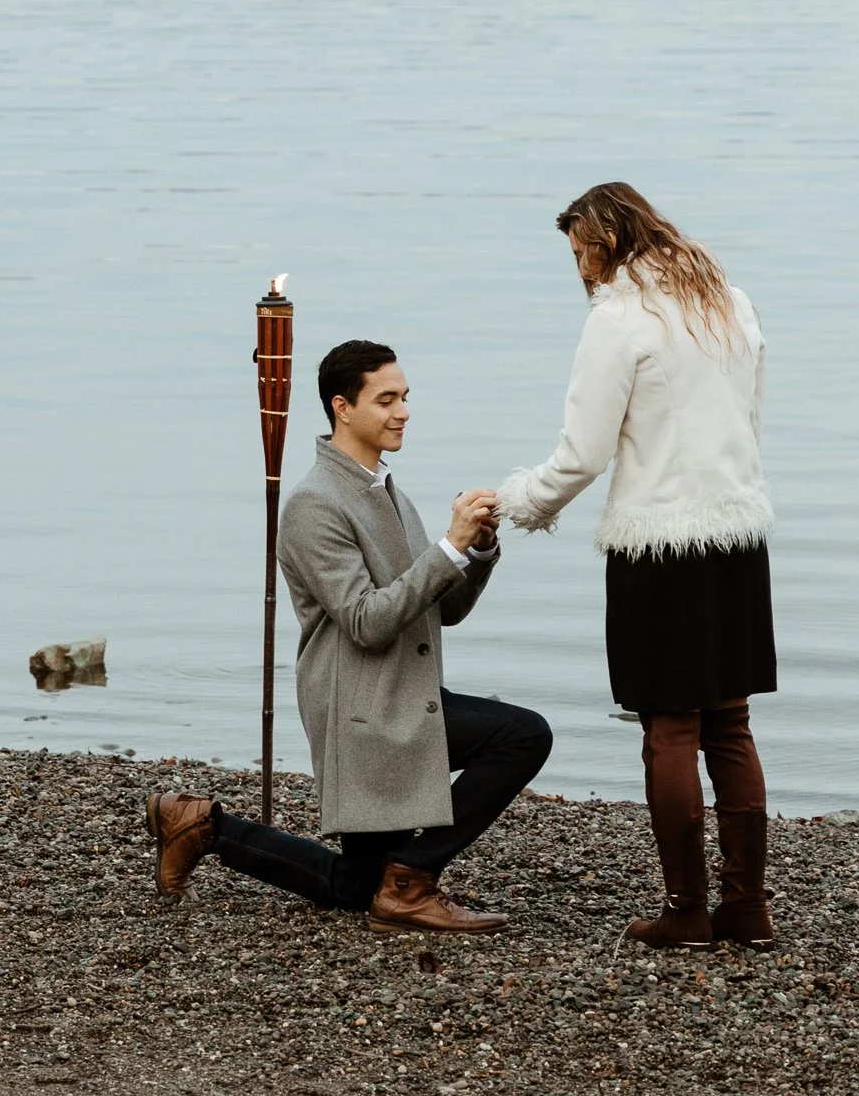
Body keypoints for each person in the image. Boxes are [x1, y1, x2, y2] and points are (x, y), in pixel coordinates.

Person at [147, 339, 552, 934]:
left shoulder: (389, 492)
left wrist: (479, 549)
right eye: (385, 399)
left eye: (405, 397)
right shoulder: (314, 504)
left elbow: (444, 610)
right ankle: (409, 879)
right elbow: (367, 621)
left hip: (403, 697)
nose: (403, 411)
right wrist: (447, 548)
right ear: (342, 407)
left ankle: (204, 825)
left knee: (355, 887)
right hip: (362, 710)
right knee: (521, 735)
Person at [497, 183, 776, 950]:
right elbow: (750, 419)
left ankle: (686, 911)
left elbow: (583, 454)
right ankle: (747, 910)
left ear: (602, 242)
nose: (579, 270)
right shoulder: (730, 303)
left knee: (670, 728)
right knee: (730, 722)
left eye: (577, 253)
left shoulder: (618, 320)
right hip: (737, 535)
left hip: (658, 545)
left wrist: (522, 502)